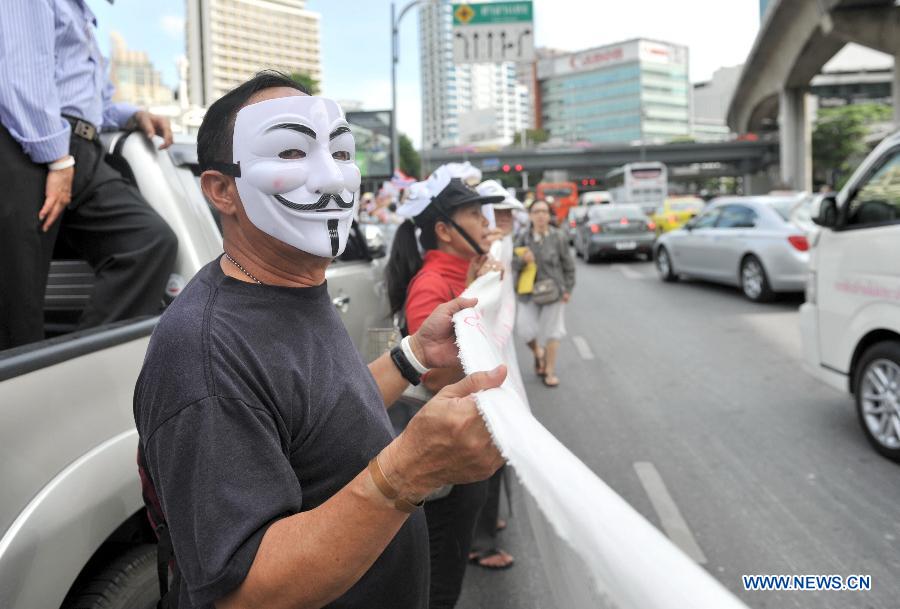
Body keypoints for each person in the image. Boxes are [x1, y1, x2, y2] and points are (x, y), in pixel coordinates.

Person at [134, 73, 506, 609]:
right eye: (290, 151)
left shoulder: (294, 285)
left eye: (340, 151)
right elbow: (242, 594)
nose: (332, 179)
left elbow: (323, 417)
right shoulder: (205, 353)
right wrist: (408, 471)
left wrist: (414, 355)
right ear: (221, 190)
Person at [0, 0, 179, 350]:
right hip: (30, 143)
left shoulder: (81, 12)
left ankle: (80, 374)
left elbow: (91, 100)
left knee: (150, 242)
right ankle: (24, 399)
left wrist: (133, 115)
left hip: (80, 148)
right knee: (16, 307)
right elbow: (21, 74)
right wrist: (56, 159)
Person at [384, 165, 505, 609]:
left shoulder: (464, 276)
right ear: (445, 229)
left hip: (464, 455)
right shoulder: (433, 284)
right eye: (475, 215)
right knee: (438, 580)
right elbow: (432, 376)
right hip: (444, 464)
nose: (486, 225)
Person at [514, 199, 576, 388]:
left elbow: (568, 265)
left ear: (549, 216)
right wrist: (523, 260)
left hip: (553, 292)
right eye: (536, 211)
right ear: (530, 215)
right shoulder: (523, 237)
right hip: (528, 292)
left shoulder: (558, 237)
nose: (541, 215)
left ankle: (549, 370)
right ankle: (539, 353)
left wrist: (568, 289)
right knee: (524, 330)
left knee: (553, 331)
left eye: (544, 211)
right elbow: (512, 265)